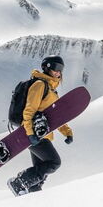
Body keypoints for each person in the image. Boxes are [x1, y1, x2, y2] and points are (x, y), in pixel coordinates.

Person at [8, 55, 73, 196]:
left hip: (42, 134)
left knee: (40, 169)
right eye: (56, 68)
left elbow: (54, 116)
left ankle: (34, 193)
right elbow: (29, 111)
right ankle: (19, 183)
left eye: (61, 69)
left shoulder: (52, 90)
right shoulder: (39, 85)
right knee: (54, 162)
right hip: (32, 134)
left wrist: (67, 132)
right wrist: (30, 133)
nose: (59, 72)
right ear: (47, 67)